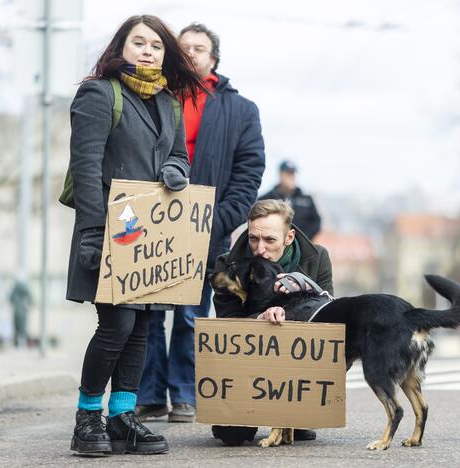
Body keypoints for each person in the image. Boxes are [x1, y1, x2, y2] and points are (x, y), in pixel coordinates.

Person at [65, 15, 204, 456]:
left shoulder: (169, 102)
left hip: (154, 237)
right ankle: (88, 417)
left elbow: (180, 157)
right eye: (138, 42)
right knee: (117, 324)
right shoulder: (98, 94)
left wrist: (175, 172)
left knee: (143, 325)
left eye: (156, 45)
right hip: (109, 232)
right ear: (120, 48)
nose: (147, 51)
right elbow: (86, 170)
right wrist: (91, 234)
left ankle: (122, 418)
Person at [137, 22, 265, 423]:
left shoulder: (240, 109)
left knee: (191, 316)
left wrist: (220, 219)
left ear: (214, 59)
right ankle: (151, 395)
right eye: (184, 46)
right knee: (150, 314)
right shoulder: (153, 96)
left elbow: (249, 172)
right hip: (153, 225)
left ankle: (184, 393)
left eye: (200, 47)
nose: (191, 52)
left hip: (207, 227)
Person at [211, 199, 333, 445]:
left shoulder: (317, 258)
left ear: (289, 237)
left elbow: (328, 320)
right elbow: (227, 323)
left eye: (269, 240)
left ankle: (293, 412)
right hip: (248, 358)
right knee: (232, 436)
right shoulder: (228, 264)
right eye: (254, 238)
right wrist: (261, 319)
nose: (259, 249)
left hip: (296, 356)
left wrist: (306, 291)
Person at [259, 160, 321, 240]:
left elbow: (316, 222)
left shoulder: (307, 199)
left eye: (293, 174)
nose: (291, 177)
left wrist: (303, 239)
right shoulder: (266, 199)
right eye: (288, 174)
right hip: (274, 243)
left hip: (304, 244)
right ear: (281, 175)